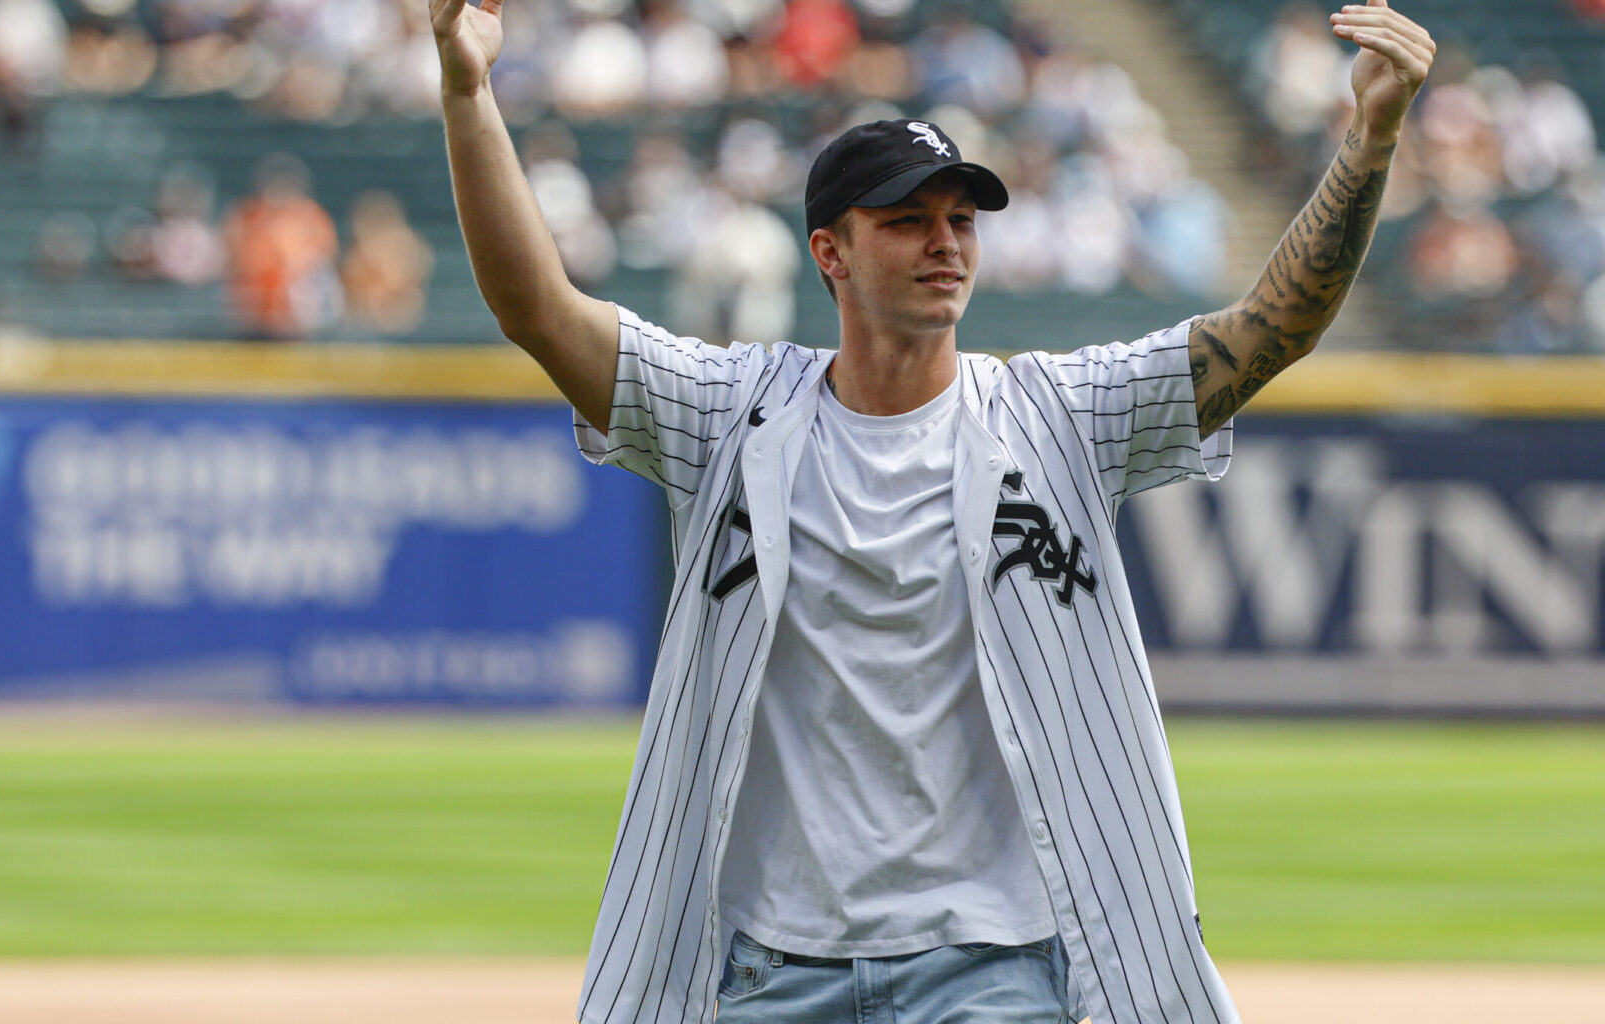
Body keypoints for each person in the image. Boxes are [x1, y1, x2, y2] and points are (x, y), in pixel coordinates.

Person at [429, 0, 1433, 1021]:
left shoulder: (1059, 416)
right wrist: (468, 90)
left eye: (960, 219)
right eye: (907, 221)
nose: (945, 242)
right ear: (830, 253)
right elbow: (538, 310)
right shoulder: (730, 412)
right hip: (776, 968)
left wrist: (1370, 140)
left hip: (995, 967)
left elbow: (1273, 329)